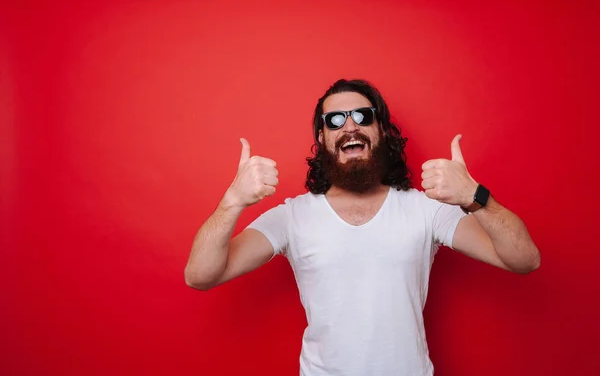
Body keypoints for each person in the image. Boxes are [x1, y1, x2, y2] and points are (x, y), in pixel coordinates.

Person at [184, 79, 541, 375]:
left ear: (381, 131)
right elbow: (201, 275)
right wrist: (232, 201)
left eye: (361, 116)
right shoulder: (292, 217)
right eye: (334, 120)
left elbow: (524, 260)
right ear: (322, 138)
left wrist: (473, 195)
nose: (349, 126)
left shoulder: (425, 209)